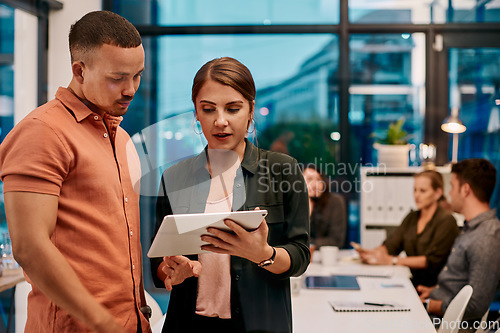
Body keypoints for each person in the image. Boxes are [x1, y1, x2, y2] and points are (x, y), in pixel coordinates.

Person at [0, 11, 150, 333]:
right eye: (117, 78)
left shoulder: (120, 136)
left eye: (137, 76)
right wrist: (100, 321)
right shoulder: (42, 132)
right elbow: (29, 247)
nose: (131, 89)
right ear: (79, 71)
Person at [150, 57, 310, 333]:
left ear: (251, 110)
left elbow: (300, 255)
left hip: (260, 323)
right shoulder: (175, 178)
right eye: (208, 109)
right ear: (197, 114)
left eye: (233, 108)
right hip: (188, 324)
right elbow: (159, 266)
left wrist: (262, 253)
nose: (220, 121)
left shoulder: (283, 170)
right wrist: (174, 271)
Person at [417, 159, 500, 330]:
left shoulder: (486, 237)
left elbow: (475, 305)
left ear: (465, 190)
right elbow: (459, 282)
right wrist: (433, 291)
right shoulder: (470, 228)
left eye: (453, 186)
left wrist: (431, 304)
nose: (450, 193)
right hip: (437, 311)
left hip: (446, 324)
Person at [355, 170, 459, 287]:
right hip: (412, 282)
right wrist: (371, 254)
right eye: (415, 190)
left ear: (437, 193)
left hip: (433, 288)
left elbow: (431, 261)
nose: (417, 195)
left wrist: (392, 261)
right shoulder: (412, 217)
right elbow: (392, 245)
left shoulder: (446, 221)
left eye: (422, 191)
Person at [303, 164, 346, 251]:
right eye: (309, 179)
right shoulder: (293, 203)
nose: (315, 184)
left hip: (328, 256)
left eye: (319, 179)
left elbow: (336, 240)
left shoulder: (335, 202)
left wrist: (310, 244)